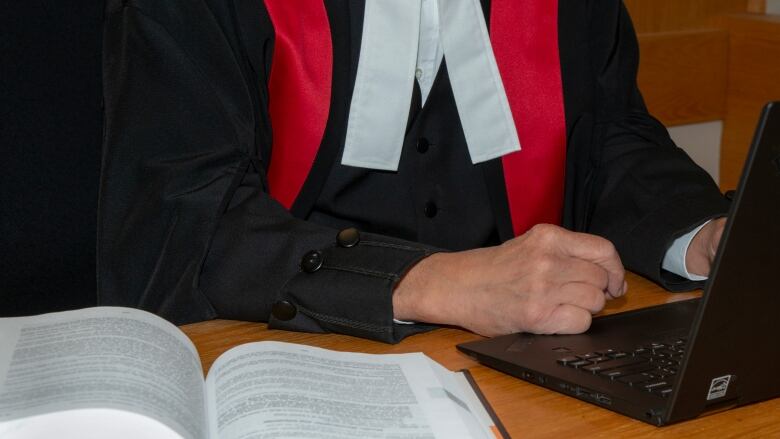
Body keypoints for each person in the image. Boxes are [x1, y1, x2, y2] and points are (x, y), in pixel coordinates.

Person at [99, 0, 729, 343]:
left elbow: (610, 136)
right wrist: (433, 283)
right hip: (281, 356)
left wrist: (699, 233)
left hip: (510, 364)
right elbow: (178, 221)